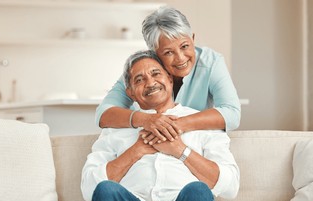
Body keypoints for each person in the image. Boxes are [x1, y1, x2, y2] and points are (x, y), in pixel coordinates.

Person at [81, 50, 240, 201]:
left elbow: (231, 186)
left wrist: (180, 151)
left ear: (170, 79)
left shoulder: (201, 122)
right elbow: (89, 188)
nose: (150, 82)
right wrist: (136, 150)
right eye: (140, 79)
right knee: (106, 190)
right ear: (130, 92)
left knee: (198, 191)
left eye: (156, 74)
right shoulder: (115, 128)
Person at [95, 6, 241, 145]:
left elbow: (232, 114)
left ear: (193, 39)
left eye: (185, 46)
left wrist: (174, 125)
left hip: (192, 144)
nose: (180, 58)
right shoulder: (141, 68)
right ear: (154, 53)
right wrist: (146, 120)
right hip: (146, 143)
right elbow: (103, 114)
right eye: (168, 52)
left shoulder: (211, 62)